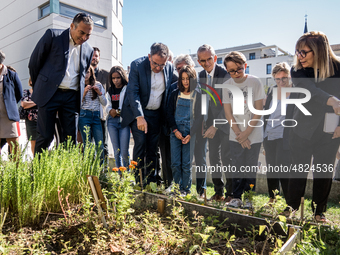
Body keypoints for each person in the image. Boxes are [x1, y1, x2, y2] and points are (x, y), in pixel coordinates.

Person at [286, 31, 340, 222]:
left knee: (324, 170)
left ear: (319, 51)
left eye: (304, 52)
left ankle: (319, 212)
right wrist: (331, 100)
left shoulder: (338, 68)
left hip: (330, 131)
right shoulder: (297, 70)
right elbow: (310, 91)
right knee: (298, 169)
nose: (299, 57)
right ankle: (291, 207)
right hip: (302, 128)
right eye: (297, 52)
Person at [28, 13, 94, 155]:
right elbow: (34, 63)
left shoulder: (89, 50)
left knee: (70, 141)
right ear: (72, 26)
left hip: (71, 97)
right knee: (45, 136)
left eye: (88, 35)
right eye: (81, 33)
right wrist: (39, 87)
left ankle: (66, 175)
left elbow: (82, 75)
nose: (84, 38)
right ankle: (40, 173)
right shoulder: (53, 36)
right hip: (50, 94)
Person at [121, 43, 174, 185]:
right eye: (155, 63)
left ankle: (150, 180)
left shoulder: (169, 67)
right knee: (141, 144)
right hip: (138, 113)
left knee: (152, 147)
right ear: (149, 56)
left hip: (156, 114)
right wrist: (140, 117)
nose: (158, 68)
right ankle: (137, 180)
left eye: (161, 65)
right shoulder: (137, 65)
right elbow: (133, 93)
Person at [222, 51, 265, 209]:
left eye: (239, 69)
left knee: (250, 167)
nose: (235, 74)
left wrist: (247, 134)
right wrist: (240, 136)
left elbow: (258, 111)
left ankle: (249, 198)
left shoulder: (255, 82)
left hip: (254, 134)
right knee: (238, 166)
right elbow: (228, 113)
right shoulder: (227, 86)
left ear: (245, 66)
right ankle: (236, 197)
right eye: (231, 71)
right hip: (236, 135)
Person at [197, 44, 232, 202]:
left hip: (225, 123)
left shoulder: (226, 75)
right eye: (203, 60)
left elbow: (227, 103)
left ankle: (231, 194)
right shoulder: (200, 76)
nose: (206, 63)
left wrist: (215, 125)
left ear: (215, 58)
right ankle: (219, 192)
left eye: (209, 59)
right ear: (199, 61)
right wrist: (205, 122)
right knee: (214, 159)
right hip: (210, 124)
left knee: (226, 157)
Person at [263, 62, 295, 204]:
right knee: (271, 168)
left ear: (289, 76)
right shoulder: (272, 90)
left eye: (284, 78)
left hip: (285, 135)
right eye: (278, 79)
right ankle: (272, 198)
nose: (281, 82)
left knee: (283, 168)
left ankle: (289, 202)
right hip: (269, 134)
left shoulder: (296, 91)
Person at [167, 65, 200, 195]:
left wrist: (191, 134)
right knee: (175, 162)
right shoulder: (175, 94)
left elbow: (200, 117)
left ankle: (185, 189)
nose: (185, 81)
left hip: (190, 132)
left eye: (188, 78)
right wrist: (175, 130)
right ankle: (176, 188)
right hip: (176, 131)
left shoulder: (198, 95)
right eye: (183, 79)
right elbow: (168, 113)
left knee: (186, 163)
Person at [78, 66, 106, 159]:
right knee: (87, 144)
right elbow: (76, 105)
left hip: (96, 115)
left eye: (88, 72)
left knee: (100, 145)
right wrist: (84, 93)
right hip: (84, 115)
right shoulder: (79, 85)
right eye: (84, 72)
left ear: (91, 73)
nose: (86, 75)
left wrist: (99, 93)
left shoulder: (98, 85)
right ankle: (88, 170)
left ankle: (99, 170)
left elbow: (105, 103)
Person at [0, 50, 23, 157]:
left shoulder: (11, 75)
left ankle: (16, 171)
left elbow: (19, 94)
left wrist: (10, 104)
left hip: (9, 115)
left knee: (14, 144)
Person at [106, 66, 130, 168]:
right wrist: (110, 110)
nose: (116, 80)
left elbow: (128, 106)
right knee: (116, 151)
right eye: (113, 78)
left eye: (118, 78)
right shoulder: (110, 90)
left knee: (124, 152)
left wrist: (117, 111)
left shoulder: (128, 89)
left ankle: (127, 175)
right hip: (112, 122)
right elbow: (107, 106)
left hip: (124, 122)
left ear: (122, 77)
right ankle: (120, 176)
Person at [91, 47, 110, 166]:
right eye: (92, 55)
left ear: (99, 57)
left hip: (102, 116)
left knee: (103, 145)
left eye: (96, 56)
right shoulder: (82, 74)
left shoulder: (107, 75)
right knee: (88, 146)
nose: (94, 58)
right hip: (86, 115)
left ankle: (103, 172)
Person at [21, 78, 38, 155]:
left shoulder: (43, 92)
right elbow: (24, 104)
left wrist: (30, 103)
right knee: (33, 141)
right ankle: (36, 161)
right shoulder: (26, 92)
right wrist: (38, 102)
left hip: (43, 120)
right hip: (30, 121)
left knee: (43, 140)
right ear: (30, 81)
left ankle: (43, 159)